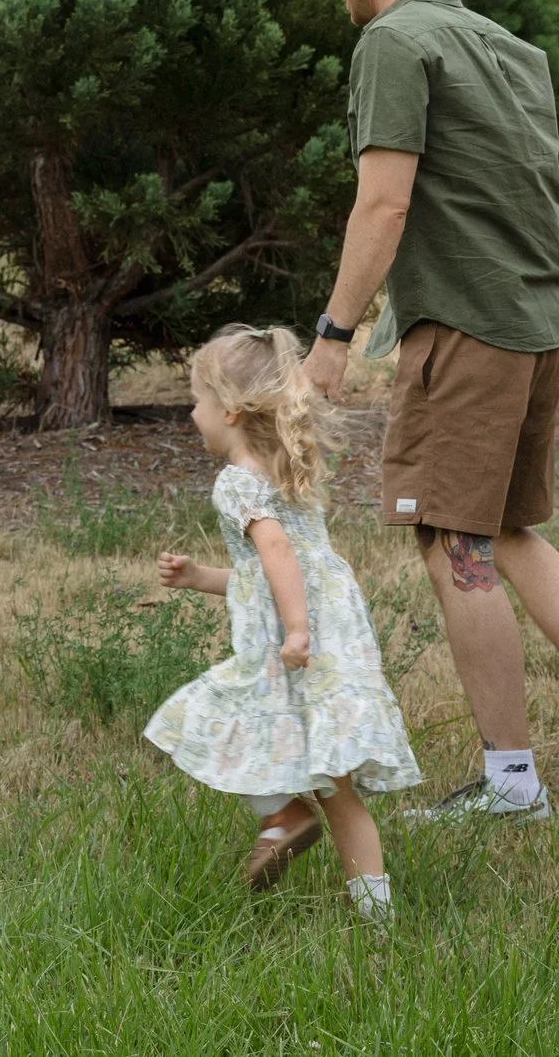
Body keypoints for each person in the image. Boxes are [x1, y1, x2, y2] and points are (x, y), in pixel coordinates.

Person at [304, 0, 559, 823]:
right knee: (506, 527)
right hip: (538, 324)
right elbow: (553, 201)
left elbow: (382, 203)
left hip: (465, 330)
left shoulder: (391, 42)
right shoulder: (507, 46)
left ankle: (511, 784)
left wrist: (333, 336)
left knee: (451, 539)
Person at [144, 325, 421, 909]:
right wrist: (200, 579)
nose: (191, 413)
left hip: (293, 647)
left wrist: (296, 631)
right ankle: (377, 921)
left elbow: (276, 553)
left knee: (199, 717)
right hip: (327, 641)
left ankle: (283, 814)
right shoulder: (287, 474)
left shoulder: (236, 483)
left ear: (231, 410)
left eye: (195, 400)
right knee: (338, 790)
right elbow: (264, 577)